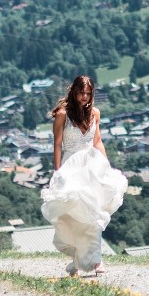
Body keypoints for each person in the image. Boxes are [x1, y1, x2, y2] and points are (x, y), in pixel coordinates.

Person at [40, 76, 127, 277]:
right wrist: (57, 171)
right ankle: (76, 261)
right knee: (74, 214)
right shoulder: (62, 115)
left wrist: (107, 167)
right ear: (74, 92)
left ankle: (96, 261)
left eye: (88, 93)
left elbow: (98, 141)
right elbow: (57, 144)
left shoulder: (95, 113)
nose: (84, 97)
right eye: (81, 93)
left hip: (93, 166)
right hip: (71, 167)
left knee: (95, 213)